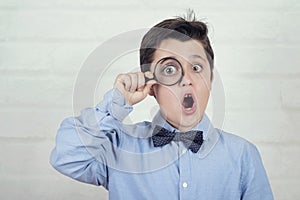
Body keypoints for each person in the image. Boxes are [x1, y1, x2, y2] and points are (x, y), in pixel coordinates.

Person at [50, 11, 274, 200]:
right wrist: (116, 104)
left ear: (211, 79)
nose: (187, 79)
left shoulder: (242, 155)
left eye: (196, 68)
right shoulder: (119, 146)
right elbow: (67, 156)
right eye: (170, 69)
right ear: (152, 84)